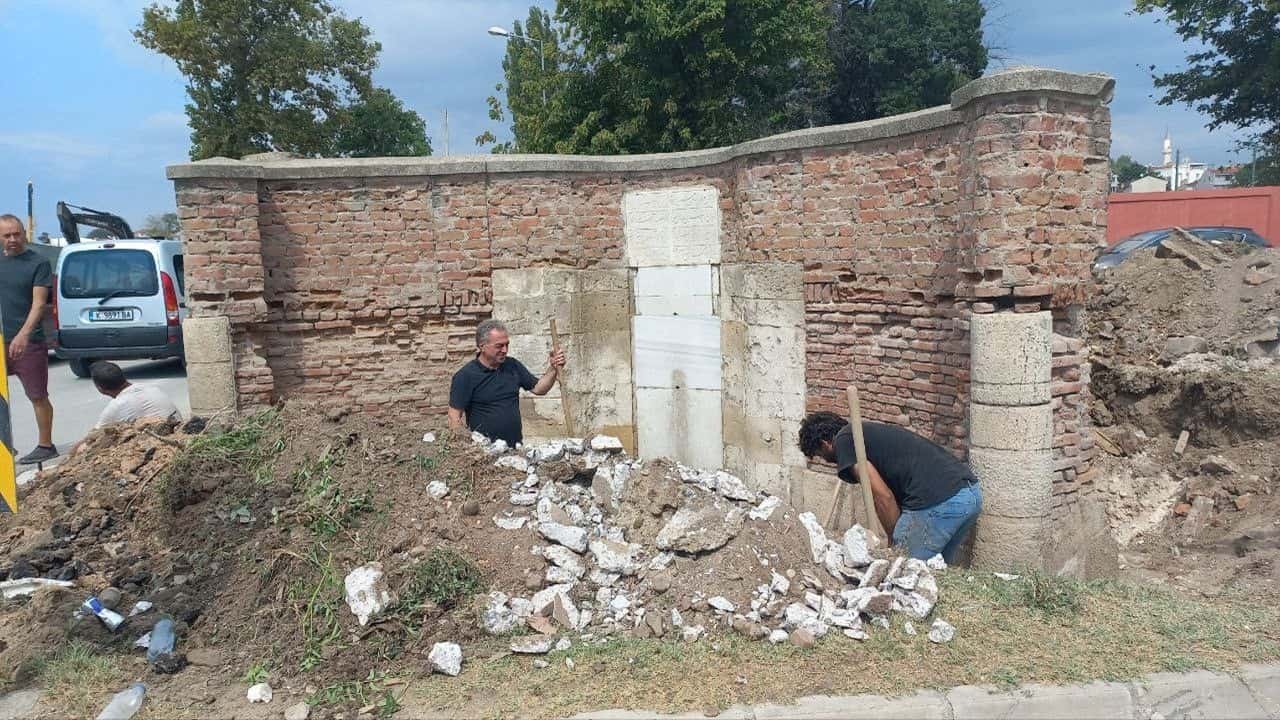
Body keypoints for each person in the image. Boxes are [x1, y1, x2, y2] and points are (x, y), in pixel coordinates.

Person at [798, 410, 983, 564]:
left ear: (825, 444)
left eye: (820, 455)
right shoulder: (865, 435)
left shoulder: (844, 440)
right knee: (934, 576)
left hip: (937, 503)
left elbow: (883, 497)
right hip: (968, 496)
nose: (826, 460)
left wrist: (895, 542)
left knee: (903, 569)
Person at [448, 319, 566, 447]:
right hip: (484, 456)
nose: (505, 350)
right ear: (482, 346)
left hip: (514, 451)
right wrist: (466, 449)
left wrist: (553, 368)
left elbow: (539, 388)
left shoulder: (512, 366)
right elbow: (454, 418)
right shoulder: (466, 376)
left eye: (507, 345)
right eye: (499, 346)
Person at [0, 214, 56, 464]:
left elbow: (38, 304)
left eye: (16, 234)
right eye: (7, 235)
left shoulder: (38, 262)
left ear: (24, 233)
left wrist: (22, 335)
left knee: (37, 395)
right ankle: (5, 447)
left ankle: (46, 445)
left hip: (28, 339)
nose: (12, 239)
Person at [90, 361, 181, 427]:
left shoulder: (117, 406)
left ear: (99, 388)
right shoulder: (152, 388)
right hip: (180, 433)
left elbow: (91, 438)